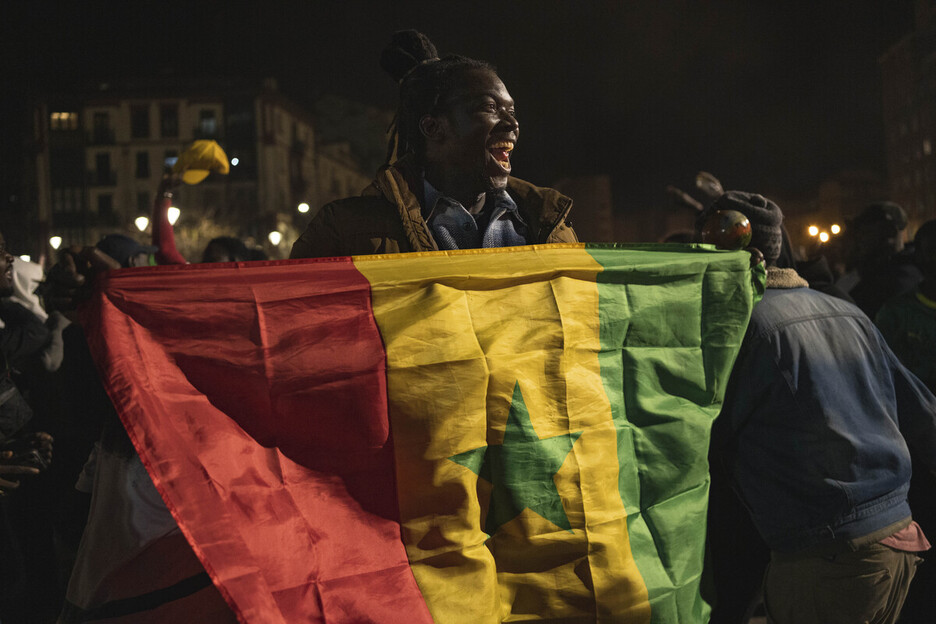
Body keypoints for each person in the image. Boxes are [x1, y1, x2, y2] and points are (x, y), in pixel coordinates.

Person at [703, 191, 936, 624]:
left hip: (829, 558)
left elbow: (702, 442)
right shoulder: (845, 311)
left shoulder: (742, 331)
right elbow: (923, 413)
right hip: (897, 541)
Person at [290, 30, 576, 259]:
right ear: (432, 127)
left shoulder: (547, 223)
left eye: (511, 112)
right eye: (489, 107)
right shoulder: (345, 232)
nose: (512, 124)